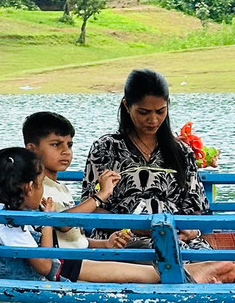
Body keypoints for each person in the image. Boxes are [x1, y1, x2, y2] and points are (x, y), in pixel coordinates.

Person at [0, 147, 235, 284]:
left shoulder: (0, 215)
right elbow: (45, 266)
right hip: (66, 270)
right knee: (137, 274)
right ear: (29, 187)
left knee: (132, 269)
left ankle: (192, 271)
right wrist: (46, 223)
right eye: (40, 181)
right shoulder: (11, 226)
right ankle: (193, 275)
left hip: (70, 263)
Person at [81, 69, 210, 250]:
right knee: (162, 253)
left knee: (205, 256)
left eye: (160, 111)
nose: (153, 119)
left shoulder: (181, 151)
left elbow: (198, 208)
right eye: (143, 112)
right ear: (126, 106)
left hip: (177, 237)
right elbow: (90, 205)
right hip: (120, 237)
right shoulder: (106, 148)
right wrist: (137, 226)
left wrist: (192, 230)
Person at [22, 111, 128, 250]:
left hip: (78, 259)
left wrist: (106, 243)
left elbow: (75, 240)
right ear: (32, 149)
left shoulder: (61, 188)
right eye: (56, 144)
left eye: (69, 145)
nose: (66, 151)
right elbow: (63, 223)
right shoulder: (35, 188)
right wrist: (101, 195)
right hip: (65, 265)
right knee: (150, 272)